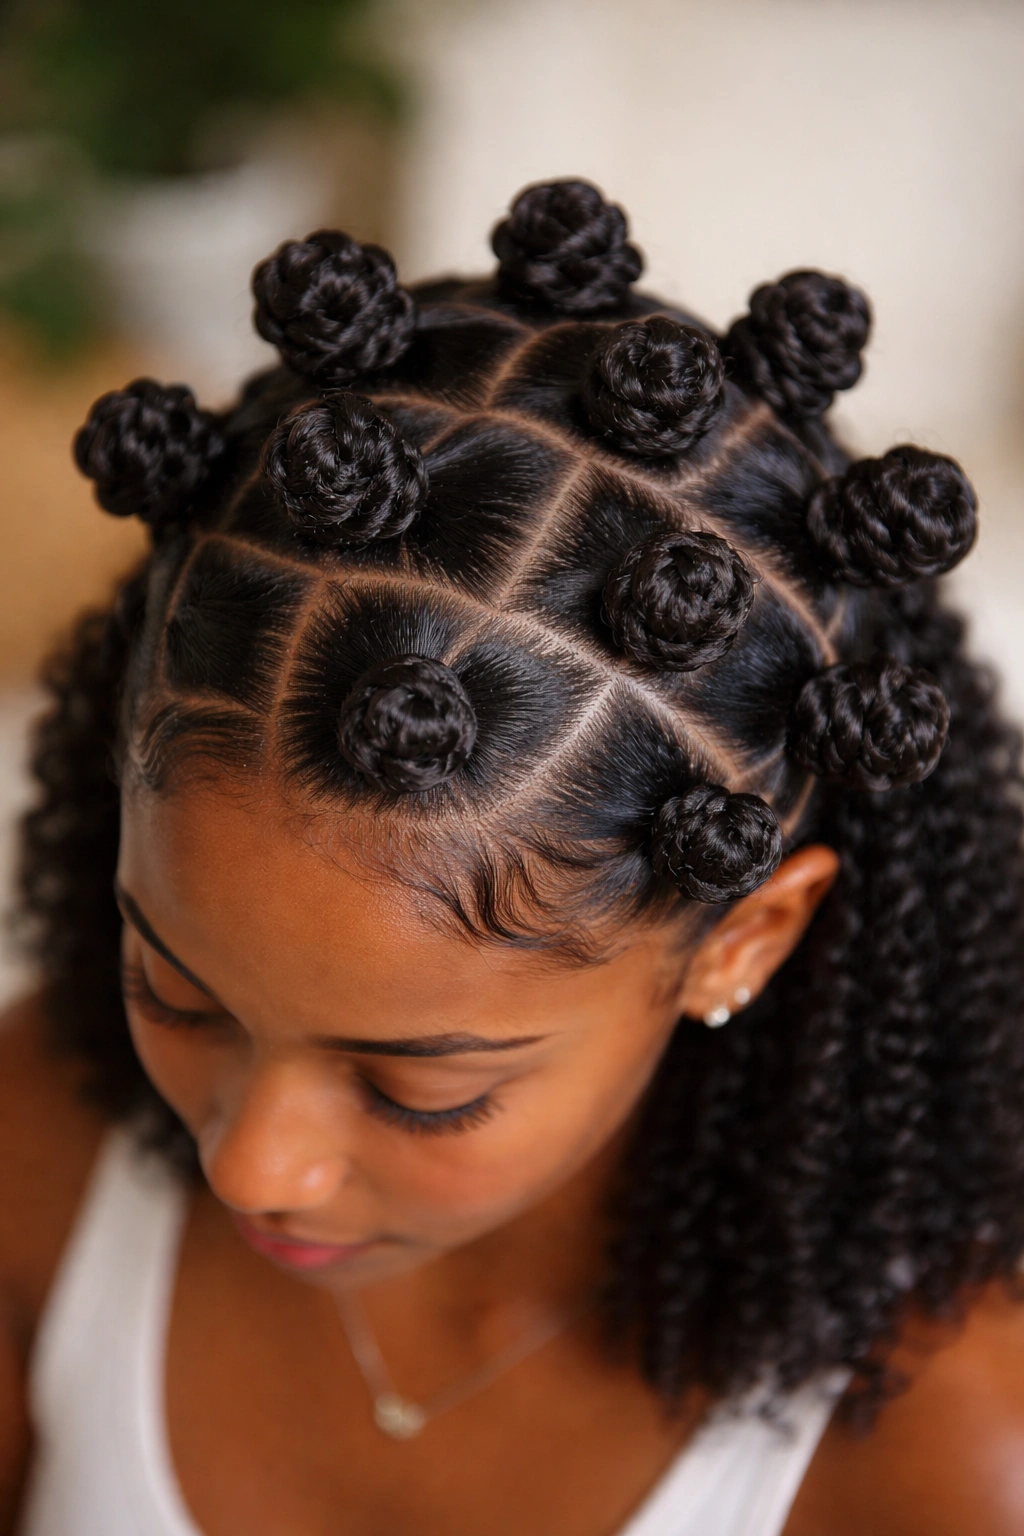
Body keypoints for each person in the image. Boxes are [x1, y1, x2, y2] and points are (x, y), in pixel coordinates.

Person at [2, 177, 1023, 1535]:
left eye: (418, 1090)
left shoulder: (941, 1446)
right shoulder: (37, 1161)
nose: (253, 1166)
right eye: (175, 992)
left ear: (746, 941)